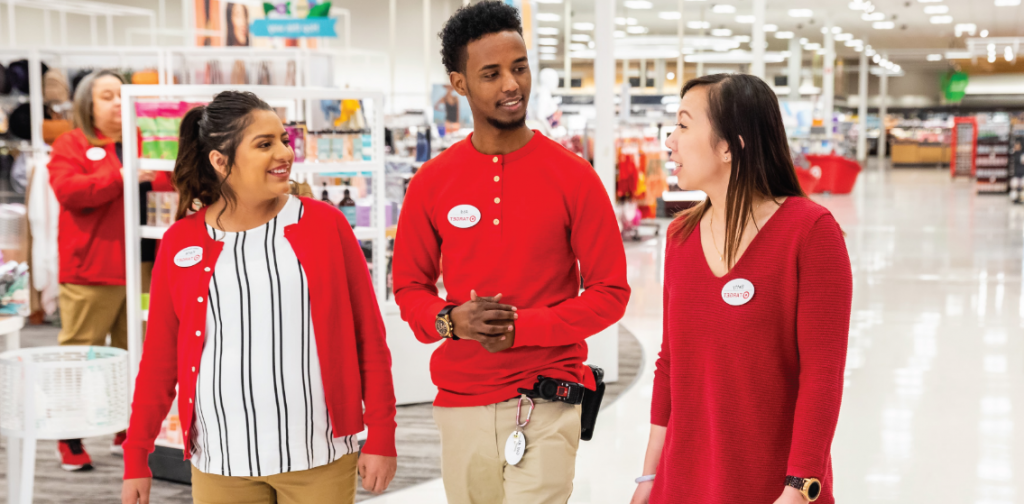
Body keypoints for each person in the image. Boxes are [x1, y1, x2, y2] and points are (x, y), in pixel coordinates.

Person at [392, 3, 630, 504]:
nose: (511, 85)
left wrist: (525, 329)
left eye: (519, 67)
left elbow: (611, 292)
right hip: (460, 403)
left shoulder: (574, 176)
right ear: (459, 83)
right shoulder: (431, 182)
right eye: (491, 73)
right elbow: (409, 288)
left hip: (548, 396)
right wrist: (450, 321)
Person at [120, 91, 398, 504]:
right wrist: (136, 455)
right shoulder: (181, 241)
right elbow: (160, 358)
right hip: (220, 459)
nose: (284, 152)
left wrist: (381, 435)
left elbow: (368, 340)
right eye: (264, 144)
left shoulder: (324, 225)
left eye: (283, 139)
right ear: (220, 161)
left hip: (317, 453)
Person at [630, 74, 852, 504]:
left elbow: (822, 376)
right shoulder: (679, 236)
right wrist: (648, 477)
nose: (669, 141)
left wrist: (798, 490)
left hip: (772, 486)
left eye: (683, 124)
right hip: (683, 482)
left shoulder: (810, 233)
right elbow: (670, 364)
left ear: (729, 145)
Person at [47, 69, 172, 471]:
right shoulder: (71, 143)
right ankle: (68, 436)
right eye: (107, 96)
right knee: (79, 355)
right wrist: (119, 175)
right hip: (93, 269)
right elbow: (70, 193)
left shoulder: (144, 142)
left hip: (145, 267)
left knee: (134, 353)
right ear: (88, 104)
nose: (118, 102)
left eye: (123, 95)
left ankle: (126, 428)